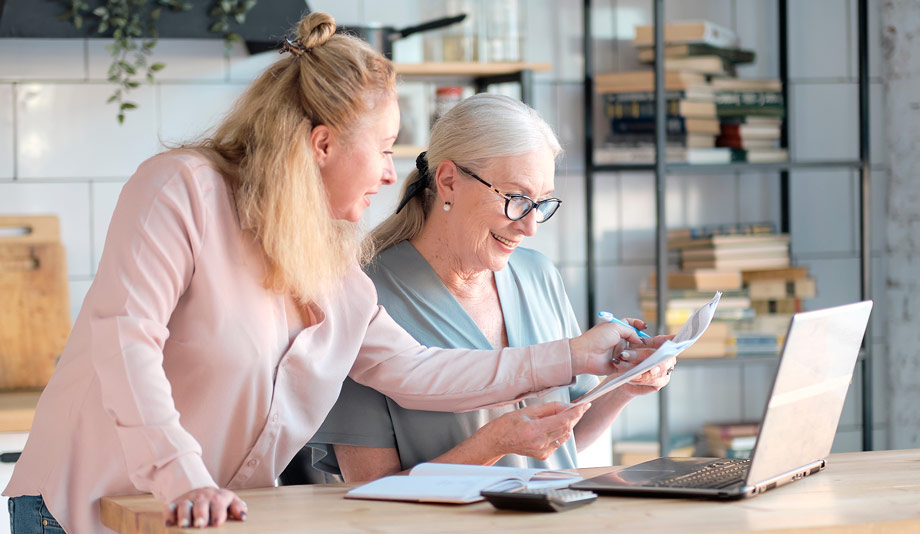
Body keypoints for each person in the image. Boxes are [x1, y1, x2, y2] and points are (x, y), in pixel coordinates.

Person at [2, 14, 647, 534]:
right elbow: (127, 346)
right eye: (387, 147)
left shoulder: (334, 262)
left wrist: (573, 356)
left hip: (204, 517)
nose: (395, 174)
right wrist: (184, 477)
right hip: (81, 509)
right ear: (323, 144)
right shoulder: (182, 190)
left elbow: (419, 371)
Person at [310, 94, 675, 483]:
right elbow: (370, 490)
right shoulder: (364, 295)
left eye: (542, 203)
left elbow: (560, 445)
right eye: (517, 199)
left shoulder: (539, 275)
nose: (530, 226)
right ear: (448, 181)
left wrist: (624, 387)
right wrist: (492, 444)